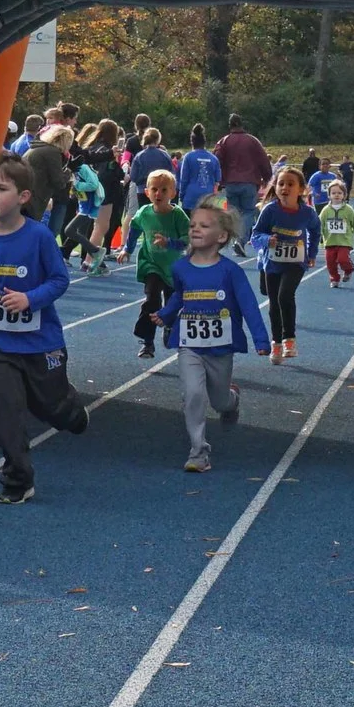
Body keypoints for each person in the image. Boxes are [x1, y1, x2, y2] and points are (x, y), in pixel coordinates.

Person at [0, 151, 87, 505]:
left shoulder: (39, 237)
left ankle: (70, 410)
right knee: (5, 409)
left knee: (49, 406)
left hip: (39, 342)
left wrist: (29, 299)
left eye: (1, 189)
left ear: (23, 197)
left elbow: (59, 280)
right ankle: (17, 479)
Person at [157, 201, 270, 473]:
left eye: (204, 226)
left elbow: (248, 305)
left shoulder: (231, 271)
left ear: (221, 236)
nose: (195, 229)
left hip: (221, 347)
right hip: (189, 346)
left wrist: (261, 340)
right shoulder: (181, 268)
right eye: (193, 225)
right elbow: (179, 296)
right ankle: (198, 452)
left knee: (219, 401)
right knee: (193, 394)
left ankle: (232, 399)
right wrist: (165, 314)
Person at [250, 164, 322, 363]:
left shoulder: (307, 213)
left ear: (301, 189)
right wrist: (267, 240)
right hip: (272, 262)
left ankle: (289, 339)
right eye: (281, 183)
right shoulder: (270, 210)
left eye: (290, 184)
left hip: (296, 262)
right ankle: (276, 343)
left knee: (285, 296)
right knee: (273, 302)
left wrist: (312, 253)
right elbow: (255, 235)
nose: (285, 188)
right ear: (275, 187)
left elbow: (316, 231)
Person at [125, 168, 189, 359]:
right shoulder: (144, 213)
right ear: (147, 192)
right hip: (151, 264)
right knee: (152, 300)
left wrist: (169, 243)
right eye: (154, 189)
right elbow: (134, 229)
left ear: (173, 193)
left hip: (173, 268)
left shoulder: (178, 215)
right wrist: (127, 249)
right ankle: (147, 342)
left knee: (171, 303)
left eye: (163, 190)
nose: (158, 193)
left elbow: (188, 239)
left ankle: (170, 327)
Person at [212, 113, 272, 243]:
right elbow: (263, 160)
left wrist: (218, 180)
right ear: (242, 124)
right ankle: (240, 240)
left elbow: (216, 160)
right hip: (249, 182)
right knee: (249, 211)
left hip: (230, 183)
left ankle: (236, 239)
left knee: (234, 213)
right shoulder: (253, 141)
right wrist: (267, 177)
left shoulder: (224, 141)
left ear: (230, 125)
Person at [22, 121, 76, 237]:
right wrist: (69, 171)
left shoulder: (38, 148)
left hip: (24, 197)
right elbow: (59, 182)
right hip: (33, 200)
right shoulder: (52, 153)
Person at [87, 117, 129, 264]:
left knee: (95, 226)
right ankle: (90, 261)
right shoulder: (108, 151)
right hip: (105, 192)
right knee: (101, 227)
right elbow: (109, 172)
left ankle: (89, 259)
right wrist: (122, 175)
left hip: (91, 189)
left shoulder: (92, 147)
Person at [320, 179, 354, 287]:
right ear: (329, 195)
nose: (336, 195)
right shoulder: (326, 210)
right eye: (333, 193)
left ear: (344, 195)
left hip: (344, 241)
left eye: (339, 193)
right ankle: (334, 279)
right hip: (330, 241)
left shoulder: (348, 209)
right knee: (330, 263)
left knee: (342, 259)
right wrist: (318, 235)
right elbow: (319, 223)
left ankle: (348, 270)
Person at [176, 123, 220, 214]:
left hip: (190, 199)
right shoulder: (214, 158)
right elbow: (218, 181)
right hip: (209, 199)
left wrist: (181, 196)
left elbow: (184, 180)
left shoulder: (188, 157)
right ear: (204, 143)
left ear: (192, 142)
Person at [128, 126, 173, 197]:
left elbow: (133, 177)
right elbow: (171, 174)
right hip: (161, 191)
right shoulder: (164, 155)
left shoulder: (139, 156)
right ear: (158, 139)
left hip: (143, 191)